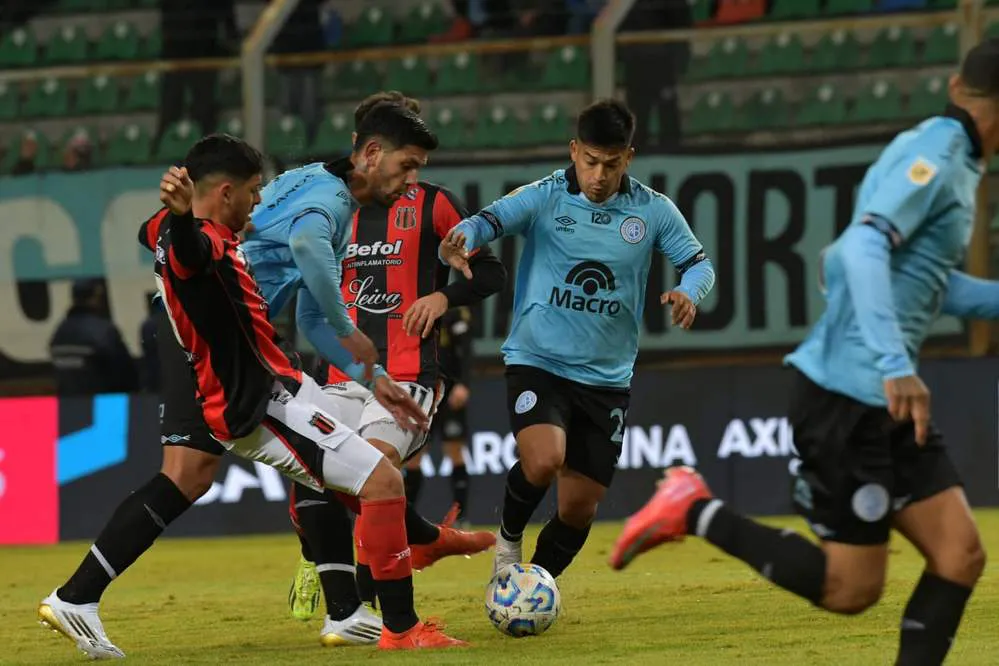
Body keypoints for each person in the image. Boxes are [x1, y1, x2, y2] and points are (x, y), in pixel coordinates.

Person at [609, 40, 999, 666]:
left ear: (958, 86)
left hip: (882, 401)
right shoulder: (941, 156)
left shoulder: (936, 147)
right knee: (851, 588)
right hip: (850, 398)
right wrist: (897, 364)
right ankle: (694, 509)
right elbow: (858, 252)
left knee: (959, 555)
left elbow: (922, 279)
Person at [39, 117, 466, 657]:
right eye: (252, 191)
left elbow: (152, 234)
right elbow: (194, 253)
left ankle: (349, 607)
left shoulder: (186, 232)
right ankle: (396, 624)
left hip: (274, 379)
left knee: (196, 477)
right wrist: (185, 220)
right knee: (380, 482)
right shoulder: (206, 244)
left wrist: (173, 216)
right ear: (224, 192)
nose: (259, 203)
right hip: (256, 399)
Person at [439, 98, 715, 581]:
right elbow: (488, 220)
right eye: (590, 161)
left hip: (606, 377)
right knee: (545, 460)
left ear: (628, 158)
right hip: (538, 360)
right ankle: (508, 543)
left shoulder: (653, 210)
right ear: (573, 151)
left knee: (579, 509)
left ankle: (533, 586)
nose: (599, 175)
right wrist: (461, 236)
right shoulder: (545, 196)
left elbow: (698, 263)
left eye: (611, 164)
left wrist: (690, 292)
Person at [280, 91, 503, 646]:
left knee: (373, 468)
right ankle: (412, 547)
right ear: (365, 150)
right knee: (321, 478)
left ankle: (384, 618)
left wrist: (446, 296)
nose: (408, 175)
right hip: (338, 377)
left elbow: (492, 273)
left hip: (406, 377)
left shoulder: (434, 205)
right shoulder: (328, 209)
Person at [404, 305, 475, 527]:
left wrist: (463, 383)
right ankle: (408, 516)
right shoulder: (412, 306)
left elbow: (465, 349)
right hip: (423, 389)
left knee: (454, 450)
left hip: (450, 391)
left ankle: (461, 517)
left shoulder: (453, 310)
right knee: (414, 455)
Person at [49, 278, 139, 396]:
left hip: (70, 407)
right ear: (96, 297)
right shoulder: (104, 331)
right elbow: (125, 375)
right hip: (104, 406)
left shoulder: (60, 332)